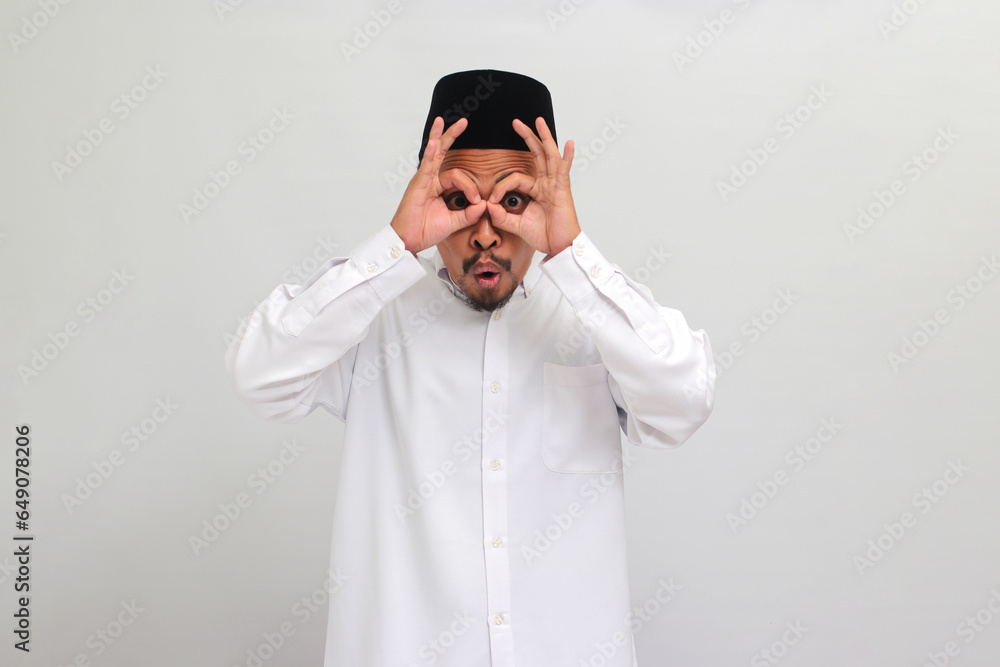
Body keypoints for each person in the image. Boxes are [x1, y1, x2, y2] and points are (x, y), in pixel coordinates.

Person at [226, 69, 715, 667]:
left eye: (514, 201)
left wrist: (573, 255)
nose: (486, 232)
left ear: (548, 196)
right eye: (458, 201)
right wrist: (395, 245)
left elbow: (683, 403)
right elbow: (258, 377)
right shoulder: (372, 315)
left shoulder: (594, 315)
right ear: (428, 195)